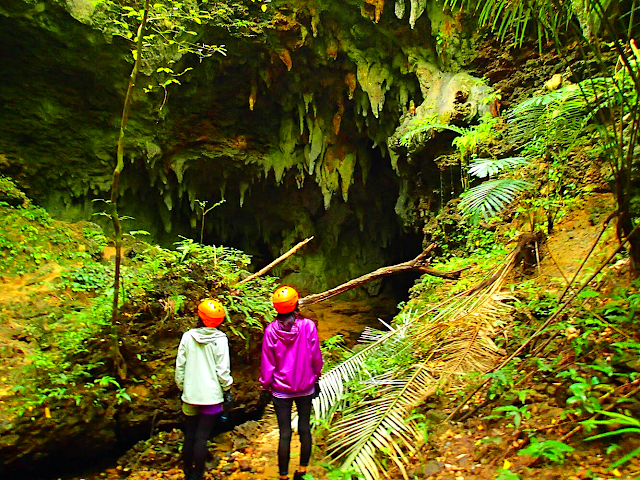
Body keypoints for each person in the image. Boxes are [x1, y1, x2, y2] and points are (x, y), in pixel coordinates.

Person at [259, 286, 324, 480]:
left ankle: (283, 475)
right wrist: (316, 377)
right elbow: (315, 357)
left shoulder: (271, 330)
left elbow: (267, 362)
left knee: (285, 432)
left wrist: (265, 385)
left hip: (280, 390)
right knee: (304, 428)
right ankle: (302, 471)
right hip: (305, 387)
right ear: (296, 304)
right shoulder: (308, 326)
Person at [175, 299, 234, 480]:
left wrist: (181, 386)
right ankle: (197, 475)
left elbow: (180, 366)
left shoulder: (187, 337)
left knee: (190, 433)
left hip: (190, 394)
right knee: (202, 436)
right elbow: (222, 370)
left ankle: (187, 472)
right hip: (212, 396)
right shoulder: (220, 339)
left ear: (200, 316)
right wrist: (227, 389)